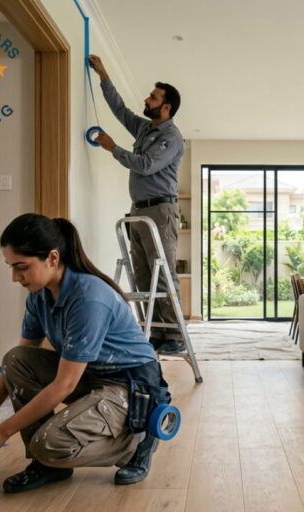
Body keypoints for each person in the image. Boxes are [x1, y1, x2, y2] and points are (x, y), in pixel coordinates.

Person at [0, 213, 170, 493]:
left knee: (48, 444)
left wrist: (2, 431)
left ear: (53, 258)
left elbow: (64, 384)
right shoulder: (39, 295)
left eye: (21, 267)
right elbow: (18, 365)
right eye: (10, 267)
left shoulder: (88, 298)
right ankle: (47, 466)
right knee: (16, 359)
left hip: (130, 387)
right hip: (90, 377)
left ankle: (136, 442)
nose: (14, 277)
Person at [87, 54, 185, 354]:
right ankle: (155, 332)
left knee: (163, 271)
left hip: (161, 210)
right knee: (143, 273)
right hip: (139, 210)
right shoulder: (144, 129)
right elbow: (120, 109)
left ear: (165, 106)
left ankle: (175, 334)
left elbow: (145, 165)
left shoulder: (172, 137)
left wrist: (112, 147)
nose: (147, 98)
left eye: (153, 97)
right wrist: (103, 74)